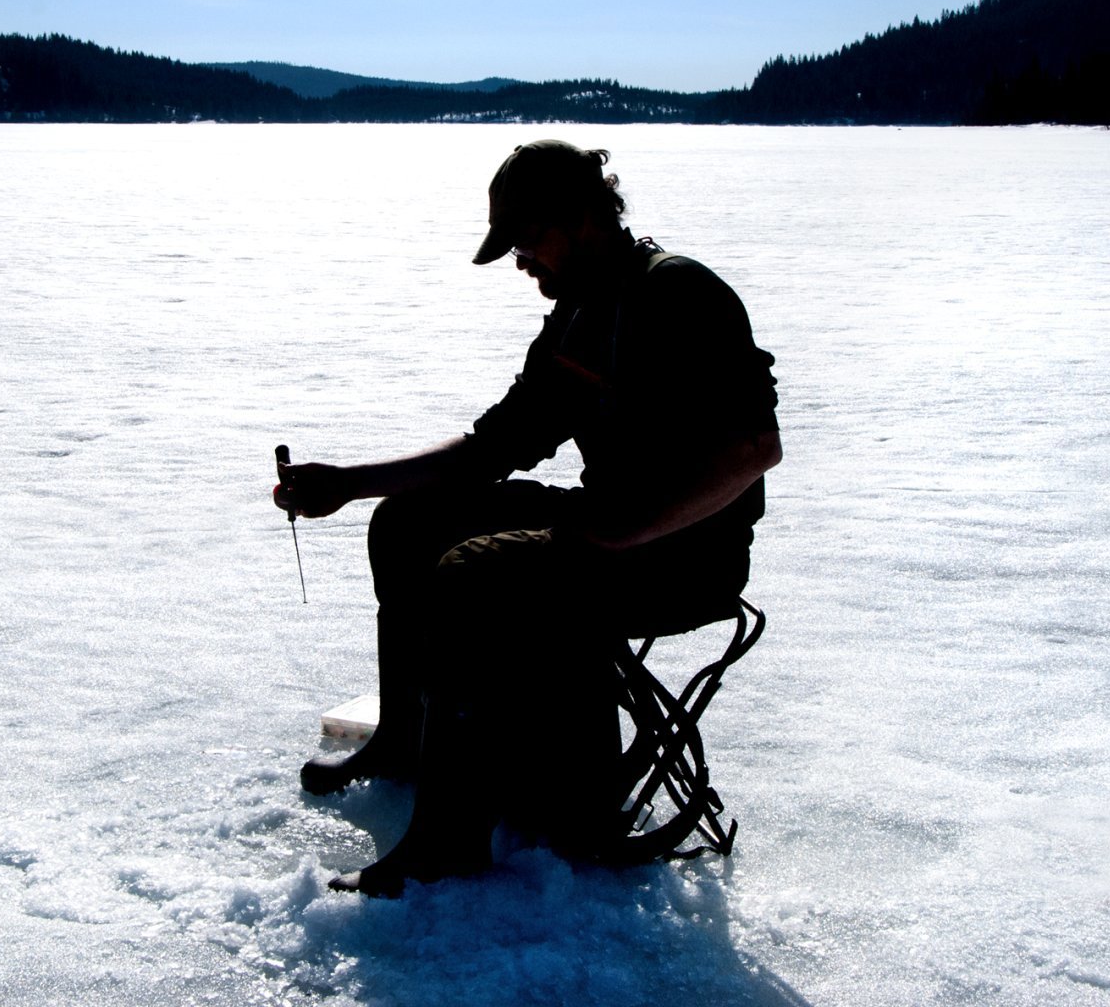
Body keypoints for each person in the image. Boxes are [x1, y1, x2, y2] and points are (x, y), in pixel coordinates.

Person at [274, 140, 780, 897]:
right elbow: (490, 449)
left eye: (529, 241)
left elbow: (753, 447)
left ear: (584, 218)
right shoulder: (580, 318)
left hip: (687, 555)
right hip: (608, 527)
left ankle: (447, 844)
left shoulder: (676, 292)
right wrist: (350, 484)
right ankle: (409, 741)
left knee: (474, 574)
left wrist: (627, 528)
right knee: (408, 524)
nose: (522, 263)